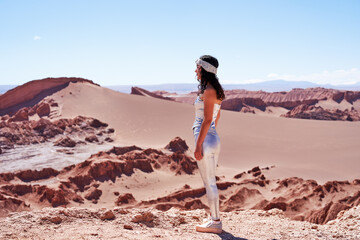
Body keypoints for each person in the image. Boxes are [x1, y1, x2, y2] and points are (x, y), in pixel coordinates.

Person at [192, 55, 225, 234]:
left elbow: (206, 121)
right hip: (212, 138)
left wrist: (199, 145)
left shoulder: (209, 91)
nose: (195, 70)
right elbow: (216, 117)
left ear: (204, 69)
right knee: (210, 181)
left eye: (197, 67)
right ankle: (214, 218)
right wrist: (210, 136)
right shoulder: (216, 90)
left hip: (205, 140)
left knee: (209, 182)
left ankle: (215, 222)